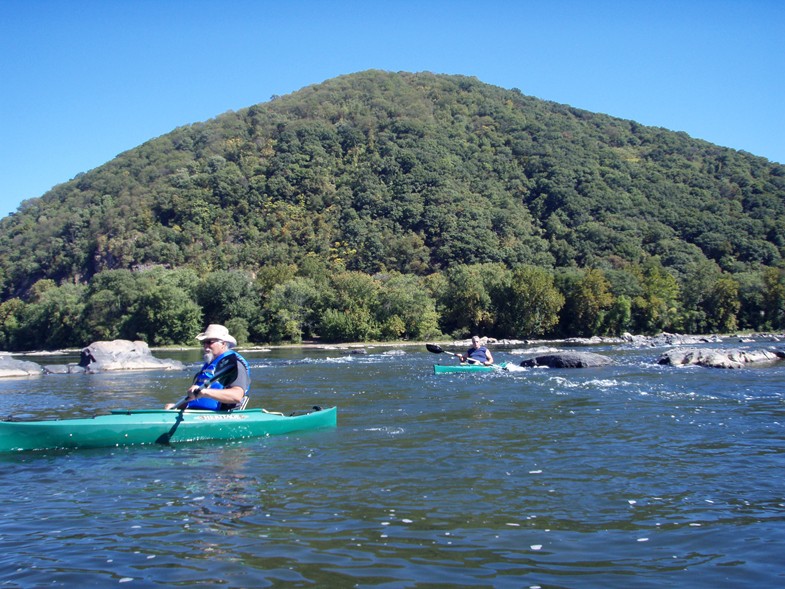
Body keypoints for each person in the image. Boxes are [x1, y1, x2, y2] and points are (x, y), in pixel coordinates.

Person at [166, 324, 251, 410]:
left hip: (221, 415)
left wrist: (205, 392)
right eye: (204, 342)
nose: (206, 346)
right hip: (198, 414)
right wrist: (178, 406)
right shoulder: (209, 365)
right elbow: (197, 400)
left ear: (223, 344)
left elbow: (236, 396)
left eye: (210, 342)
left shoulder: (234, 365)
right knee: (169, 406)